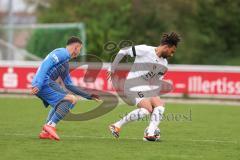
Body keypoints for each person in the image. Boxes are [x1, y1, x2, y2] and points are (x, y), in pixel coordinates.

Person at [108, 32, 180, 141]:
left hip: (146, 87)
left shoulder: (164, 64)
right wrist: (112, 68)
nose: (172, 54)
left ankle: (150, 133)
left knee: (159, 105)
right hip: (132, 85)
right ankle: (117, 125)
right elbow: (123, 51)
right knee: (147, 109)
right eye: (172, 51)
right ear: (166, 47)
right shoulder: (146, 50)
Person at [31, 36, 100, 141]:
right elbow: (45, 65)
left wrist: (88, 95)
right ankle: (50, 126)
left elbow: (69, 85)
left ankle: (45, 132)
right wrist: (38, 83)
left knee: (64, 102)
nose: (79, 52)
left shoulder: (65, 63)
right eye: (80, 49)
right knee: (71, 99)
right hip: (44, 83)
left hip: (46, 83)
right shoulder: (62, 53)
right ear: (76, 47)